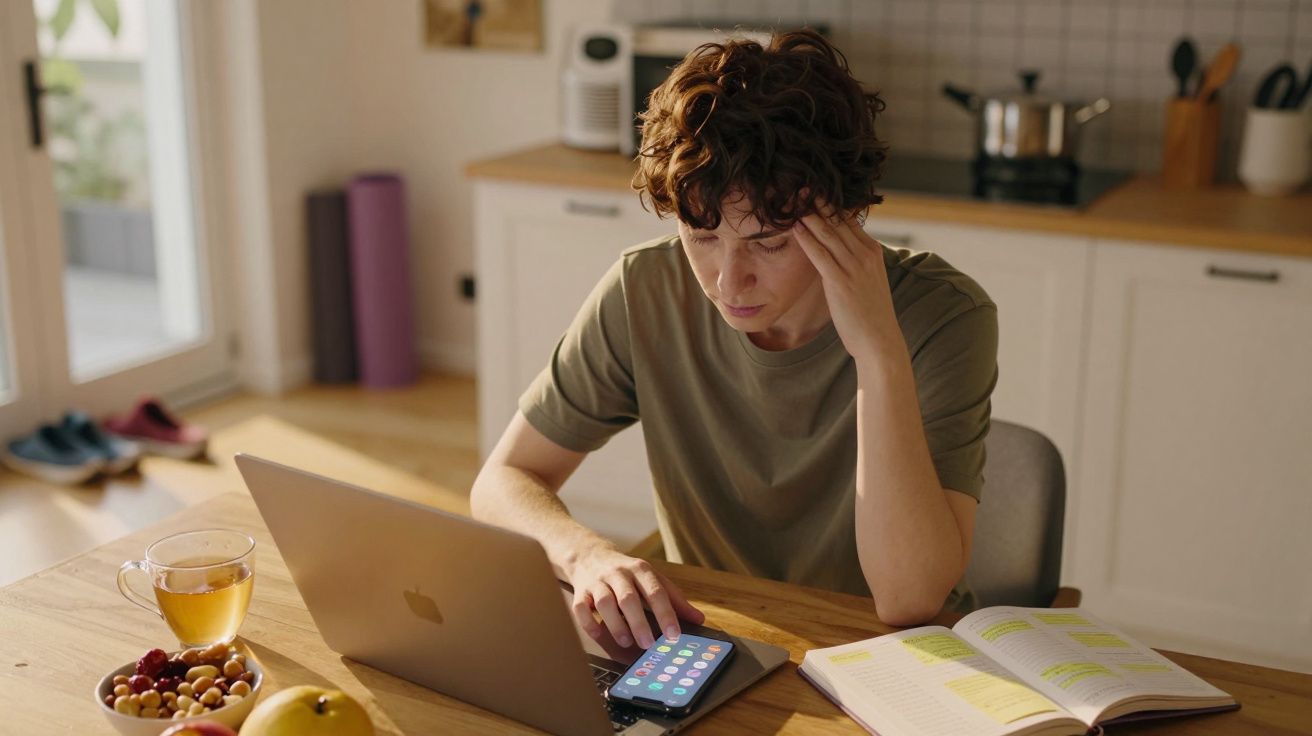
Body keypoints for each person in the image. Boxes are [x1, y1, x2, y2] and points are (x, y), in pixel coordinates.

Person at [470, 29, 997, 651]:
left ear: (846, 214)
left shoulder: (943, 315)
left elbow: (908, 599)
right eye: (702, 236)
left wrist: (879, 353)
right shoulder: (645, 288)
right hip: (717, 638)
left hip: (883, 653)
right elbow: (504, 480)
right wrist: (585, 555)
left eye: (768, 243)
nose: (727, 281)